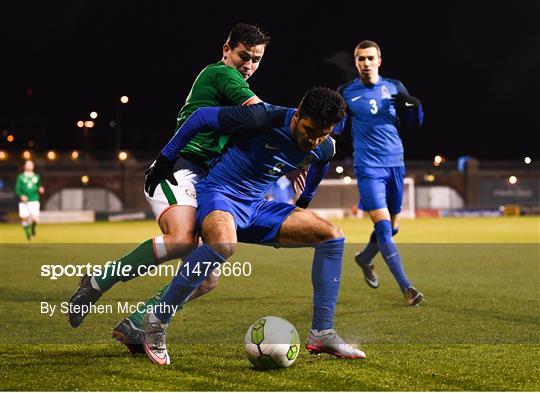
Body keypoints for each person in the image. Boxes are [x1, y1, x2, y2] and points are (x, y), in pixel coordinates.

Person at [67, 24, 270, 352]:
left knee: (206, 278)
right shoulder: (222, 74)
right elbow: (262, 114)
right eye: (243, 56)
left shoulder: (231, 90)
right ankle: (97, 281)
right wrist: (303, 133)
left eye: (256, 60)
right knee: (180, 239)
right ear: (226, 51)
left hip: (203, 181)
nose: (248, 65)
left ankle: (137, 323)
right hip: (180, 169)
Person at [141, 87, 365, 365]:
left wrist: (305, 198)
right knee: (224, 244)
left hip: (257, 208)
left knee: (332, 235)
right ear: (297, 115)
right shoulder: (262, 117)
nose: (314, 140)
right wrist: (165, 159)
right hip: (219, 195)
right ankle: (156, 320)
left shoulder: (324, 145)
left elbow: (322, 161)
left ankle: (321, 332)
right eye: (309, 130)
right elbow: (200, 117)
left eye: (323, 133)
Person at [337, 40, 424, 306]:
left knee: (393, 228)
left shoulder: (394, 87)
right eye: (360, 59)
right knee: (384, 228)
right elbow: (338, 129)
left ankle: (364, 259)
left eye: (370, 58)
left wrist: (415, 106)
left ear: (379, 60)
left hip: (395, 164)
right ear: (355, 62)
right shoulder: (346, 91)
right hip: (368, 167)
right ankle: (407, 288)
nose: (365, 63)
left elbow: (414, 123)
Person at [15, 160, 44, 241]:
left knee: (36, 219)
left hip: (34, 199)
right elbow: (17, 188)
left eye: (31, 164)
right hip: (24, 202)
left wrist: (40, 188)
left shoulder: (37, 176)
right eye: (27, 164)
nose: (29, 166)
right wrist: (21, 195)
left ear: (33, 166)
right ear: (24, 166)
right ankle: (28, 235)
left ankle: (33, 229)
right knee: (24, 219)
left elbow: (39, 186)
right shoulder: (20, 177)